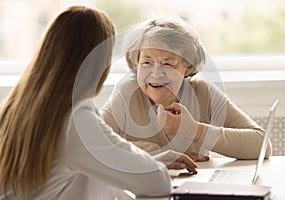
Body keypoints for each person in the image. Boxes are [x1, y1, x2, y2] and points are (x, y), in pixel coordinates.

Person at [0, 7, 197, 200]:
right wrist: (151, 168)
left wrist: (150, 163)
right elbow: (156, 183)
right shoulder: (76, 119)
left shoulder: (17, 108)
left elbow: (81, 168)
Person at [101, 16, 272, 162]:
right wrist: (158, 153)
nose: (156, 73)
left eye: (168, 63)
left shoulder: (202, 92)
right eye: (147, 62)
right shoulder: (127, 91)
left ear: (188, 67)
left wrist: (194, 130)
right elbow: (92, 143)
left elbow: (262, 145)